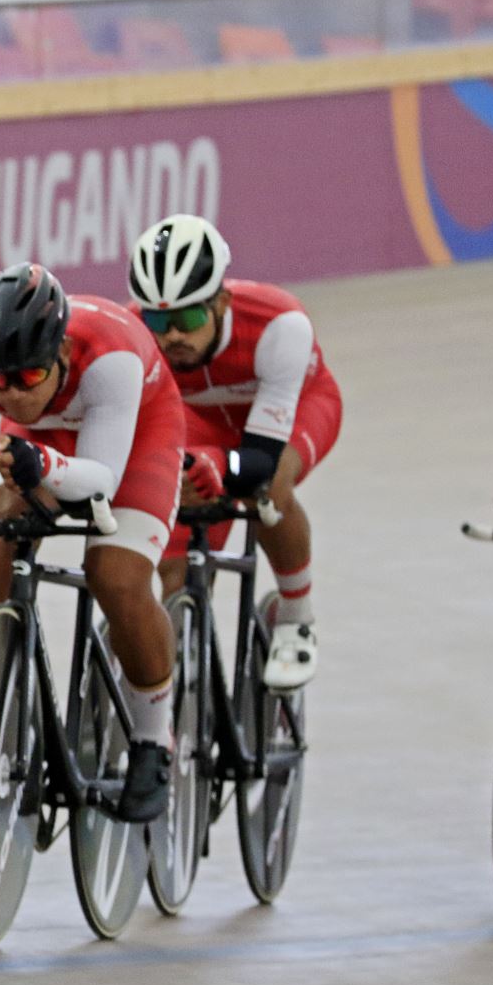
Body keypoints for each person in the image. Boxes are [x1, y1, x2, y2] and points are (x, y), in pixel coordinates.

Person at [0, 263, 183, 823]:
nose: (10, 395)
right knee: (4, 527)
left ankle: (153, 739)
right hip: (49, 438)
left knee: (115, 576)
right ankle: (8, 689)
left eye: (25, 379)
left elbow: (100, 482)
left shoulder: (110, 360)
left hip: (136, 433)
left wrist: (42, 463)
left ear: (63, 355)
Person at [128, 214, 341, 691]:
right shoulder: (135, 338)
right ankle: (181, 627)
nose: (172, 337)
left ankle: (295, 614)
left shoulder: (279, 325)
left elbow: (260, 457)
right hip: (202, 419)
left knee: (264, 492)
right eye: (158, 321)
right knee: (178, 509)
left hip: (293, 411)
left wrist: (221, 468)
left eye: (188, 319)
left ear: (222, 302)